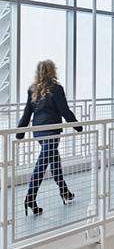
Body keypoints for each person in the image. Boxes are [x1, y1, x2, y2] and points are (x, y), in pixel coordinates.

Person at [17, 60, 82, 216]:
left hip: (39, 132)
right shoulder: (56, 89)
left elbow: (27, 114)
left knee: (54, 159)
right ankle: (30, 198)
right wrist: (78, 126)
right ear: (53, 71)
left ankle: (64, 191)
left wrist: (19, 134)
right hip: (52, 132)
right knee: (43, 162)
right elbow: (64, 110)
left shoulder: (33, 89)